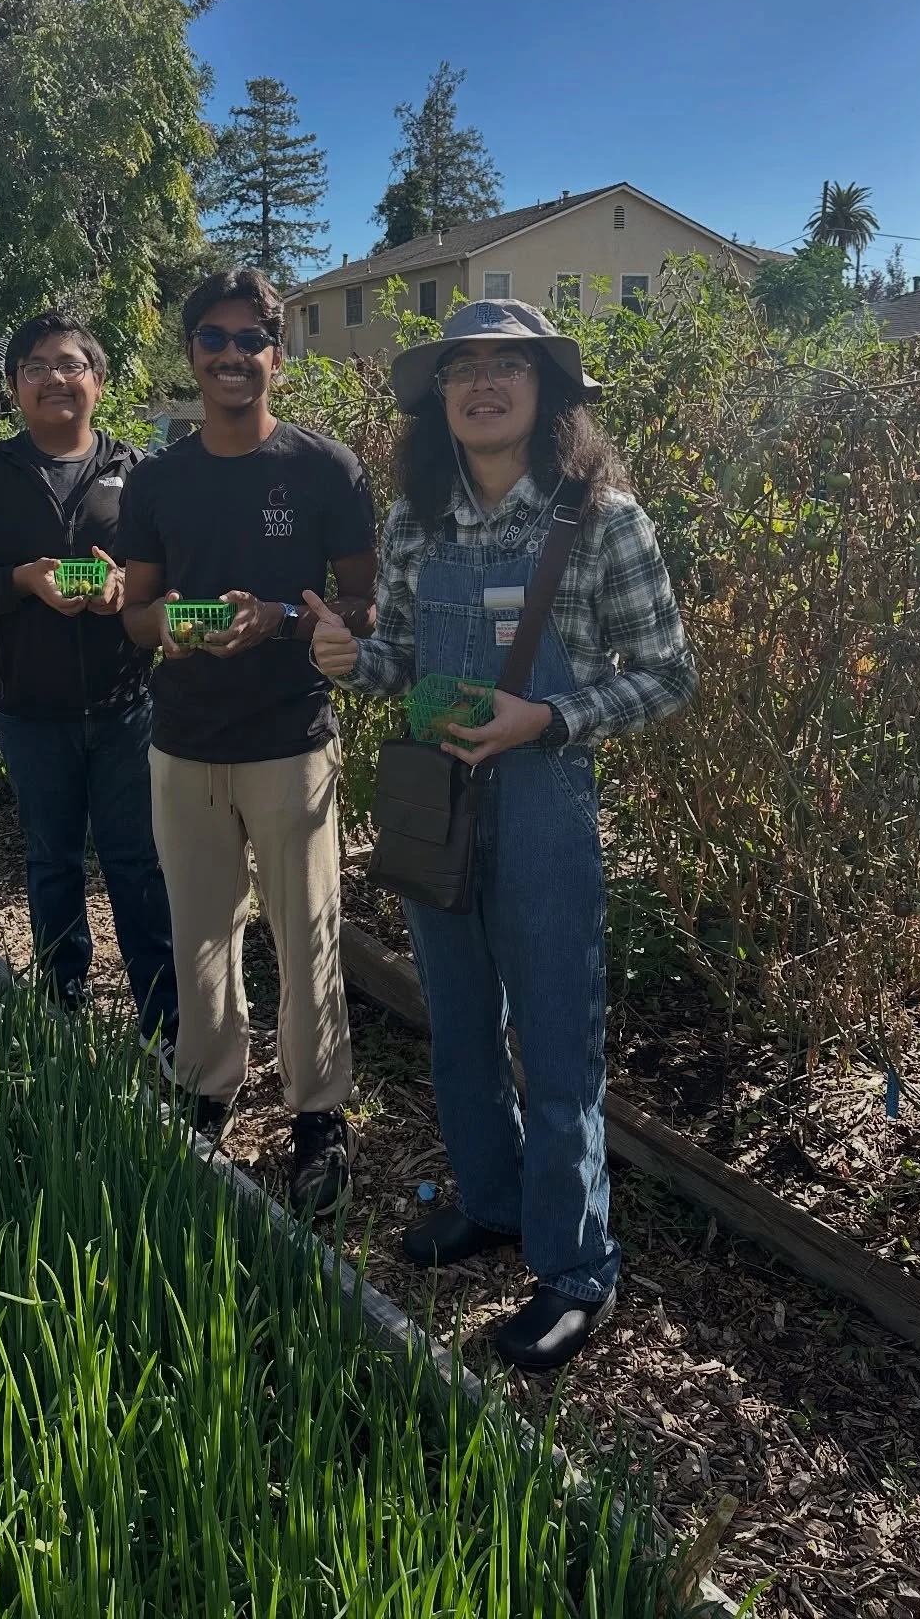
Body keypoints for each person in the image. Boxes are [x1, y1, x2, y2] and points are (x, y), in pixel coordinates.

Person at [309, 299, 696, 1372]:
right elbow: (394, 668)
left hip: (543, 804)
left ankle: (577, 1267)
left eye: (507, 366)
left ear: (545, 392)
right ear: (439, 399)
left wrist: (553, 718)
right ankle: (488, 1201)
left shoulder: (602, 518)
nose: (483, 383)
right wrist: (346, 659)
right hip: (434, 800)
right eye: (461, 368)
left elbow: (669, 675)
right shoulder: (414, 523)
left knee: (557, 1040)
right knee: (461, 1023)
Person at [118, 267, 378, 1216]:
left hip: (289, 738)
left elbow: (360, 600)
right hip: (184, 741)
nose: (232, 357)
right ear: (191, 354)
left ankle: (318, 1115)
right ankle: (206, 1089)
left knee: (309, 937)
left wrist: (279, 616)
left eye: (249, 340)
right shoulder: (157, 479)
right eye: (213, 340)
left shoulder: (324, 470)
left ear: (278, 352)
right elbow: (136, 616)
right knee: (199, 935)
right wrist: (179, 626)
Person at [0, 311, 178, 1049]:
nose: (54, 379)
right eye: (35, 367)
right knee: (52, 861)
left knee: (137, 864)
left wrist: (126, 585)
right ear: (12, 387)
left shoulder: (143, 477)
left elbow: (180, 579)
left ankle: (162, 1020)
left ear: (97, 380)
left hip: (129, 705)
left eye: (70, 365)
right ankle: (63, 1008)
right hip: (30, 709)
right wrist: (20, 581)